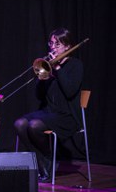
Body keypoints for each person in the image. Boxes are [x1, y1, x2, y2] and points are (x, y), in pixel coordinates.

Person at [14, 28, 83, 182]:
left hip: (68, 116)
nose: (52, 48)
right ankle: (43, 160)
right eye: (51, 44)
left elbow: (70, 91)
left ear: (67, 47)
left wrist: (58, 69)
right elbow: (39, 96)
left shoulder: (75, 65)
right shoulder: (49, 67)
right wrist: (42, 78)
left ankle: (47, 158)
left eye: (57, 45)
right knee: (19, 124)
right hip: (49, 112)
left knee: (34, 126)